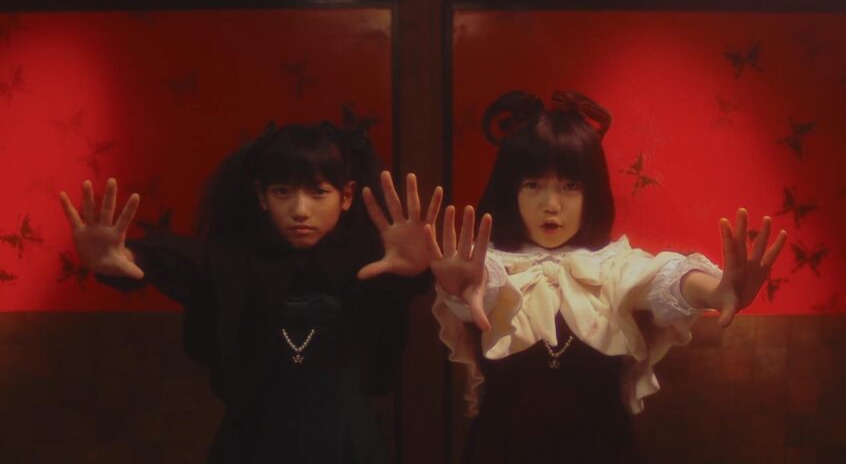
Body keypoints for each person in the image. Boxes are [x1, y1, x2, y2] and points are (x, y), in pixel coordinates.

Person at [424, 90, 787, 463]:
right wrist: (459, 289)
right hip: (504, 448)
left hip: (602, 448)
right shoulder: (488, 265)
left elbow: (664, 278)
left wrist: (715, 290)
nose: (551, 204)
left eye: (570, 186)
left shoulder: (614, 266)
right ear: (510, 191)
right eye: (533, 184)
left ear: (591, 193)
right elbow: (481, 288)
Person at [58, 121, 442, 463]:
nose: (300, 210)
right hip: (252, 444)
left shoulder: (371, 263)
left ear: (346, 195)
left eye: (318, 192)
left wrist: (417, 272)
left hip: (348, 443)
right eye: (283, 191)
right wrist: (119, 258)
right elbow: (172, 260)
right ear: (262, 196)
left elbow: (394, 318)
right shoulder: (232, 260)